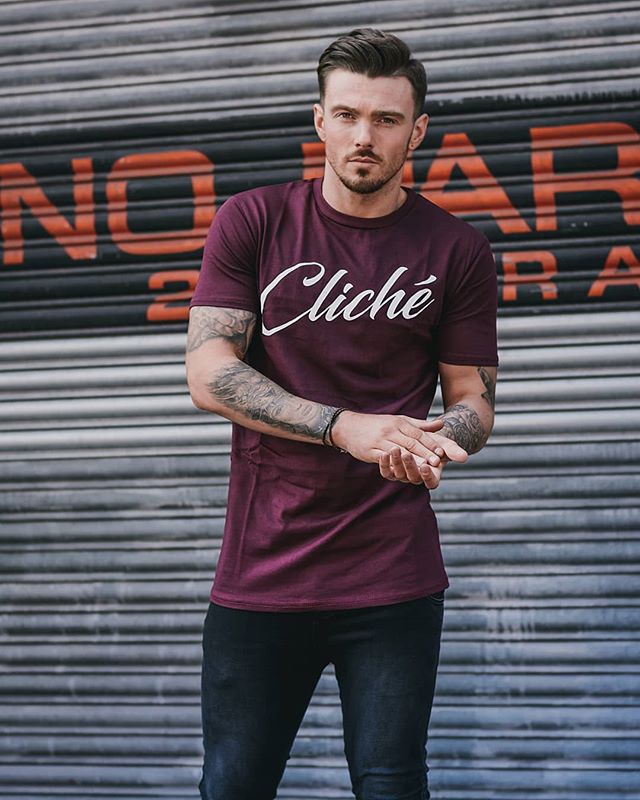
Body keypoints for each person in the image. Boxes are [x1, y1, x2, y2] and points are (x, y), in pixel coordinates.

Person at [186, 27, 498, 800]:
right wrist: (345, 427)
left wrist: (440, 441)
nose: (366, 136)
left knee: (392, 785)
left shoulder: (456, 249)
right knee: (233, 786)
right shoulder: (253, 222)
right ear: (319, 120)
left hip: (393, 575)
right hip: (262, 572)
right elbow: (210, 373)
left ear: (417, 131)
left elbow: (474, 399)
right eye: (349, 115)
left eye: (387, 120)